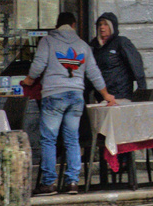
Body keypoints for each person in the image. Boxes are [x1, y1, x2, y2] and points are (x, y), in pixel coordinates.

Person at [27, 12, 118, 194]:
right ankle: (73, 182)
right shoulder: (82, 45)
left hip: (54, 95)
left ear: (57, 25)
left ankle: (49, 183)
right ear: (74, 25)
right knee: (72, 139)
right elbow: (93, 73)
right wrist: (106, 95)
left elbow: (38, 64)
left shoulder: (47, 41)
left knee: (49, 139)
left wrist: (29, 80)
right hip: (76, 96)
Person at [90, 12, 146, 101]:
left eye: (105, 24)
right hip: (102, 96)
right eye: (100, 24)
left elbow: (136, 65)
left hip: (120, 95)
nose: (102, 27)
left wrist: (142, 90)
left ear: (112, 27)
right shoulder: (95, 46)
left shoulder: (121, 42)